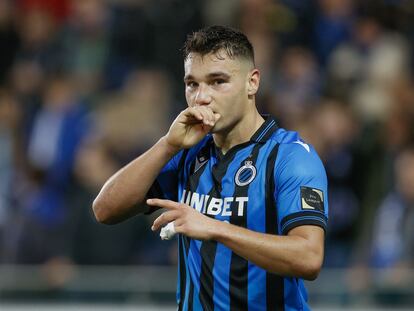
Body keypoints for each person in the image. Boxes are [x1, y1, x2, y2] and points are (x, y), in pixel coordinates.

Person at [93, 25, 328, 311]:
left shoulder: (290, 157)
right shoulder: (187, 153)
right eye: (192, 84)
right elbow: (104, 209)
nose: (201, 96)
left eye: (218, 81)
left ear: (252, 83)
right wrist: (167, 144)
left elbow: (309, 257)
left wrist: (216, 228)